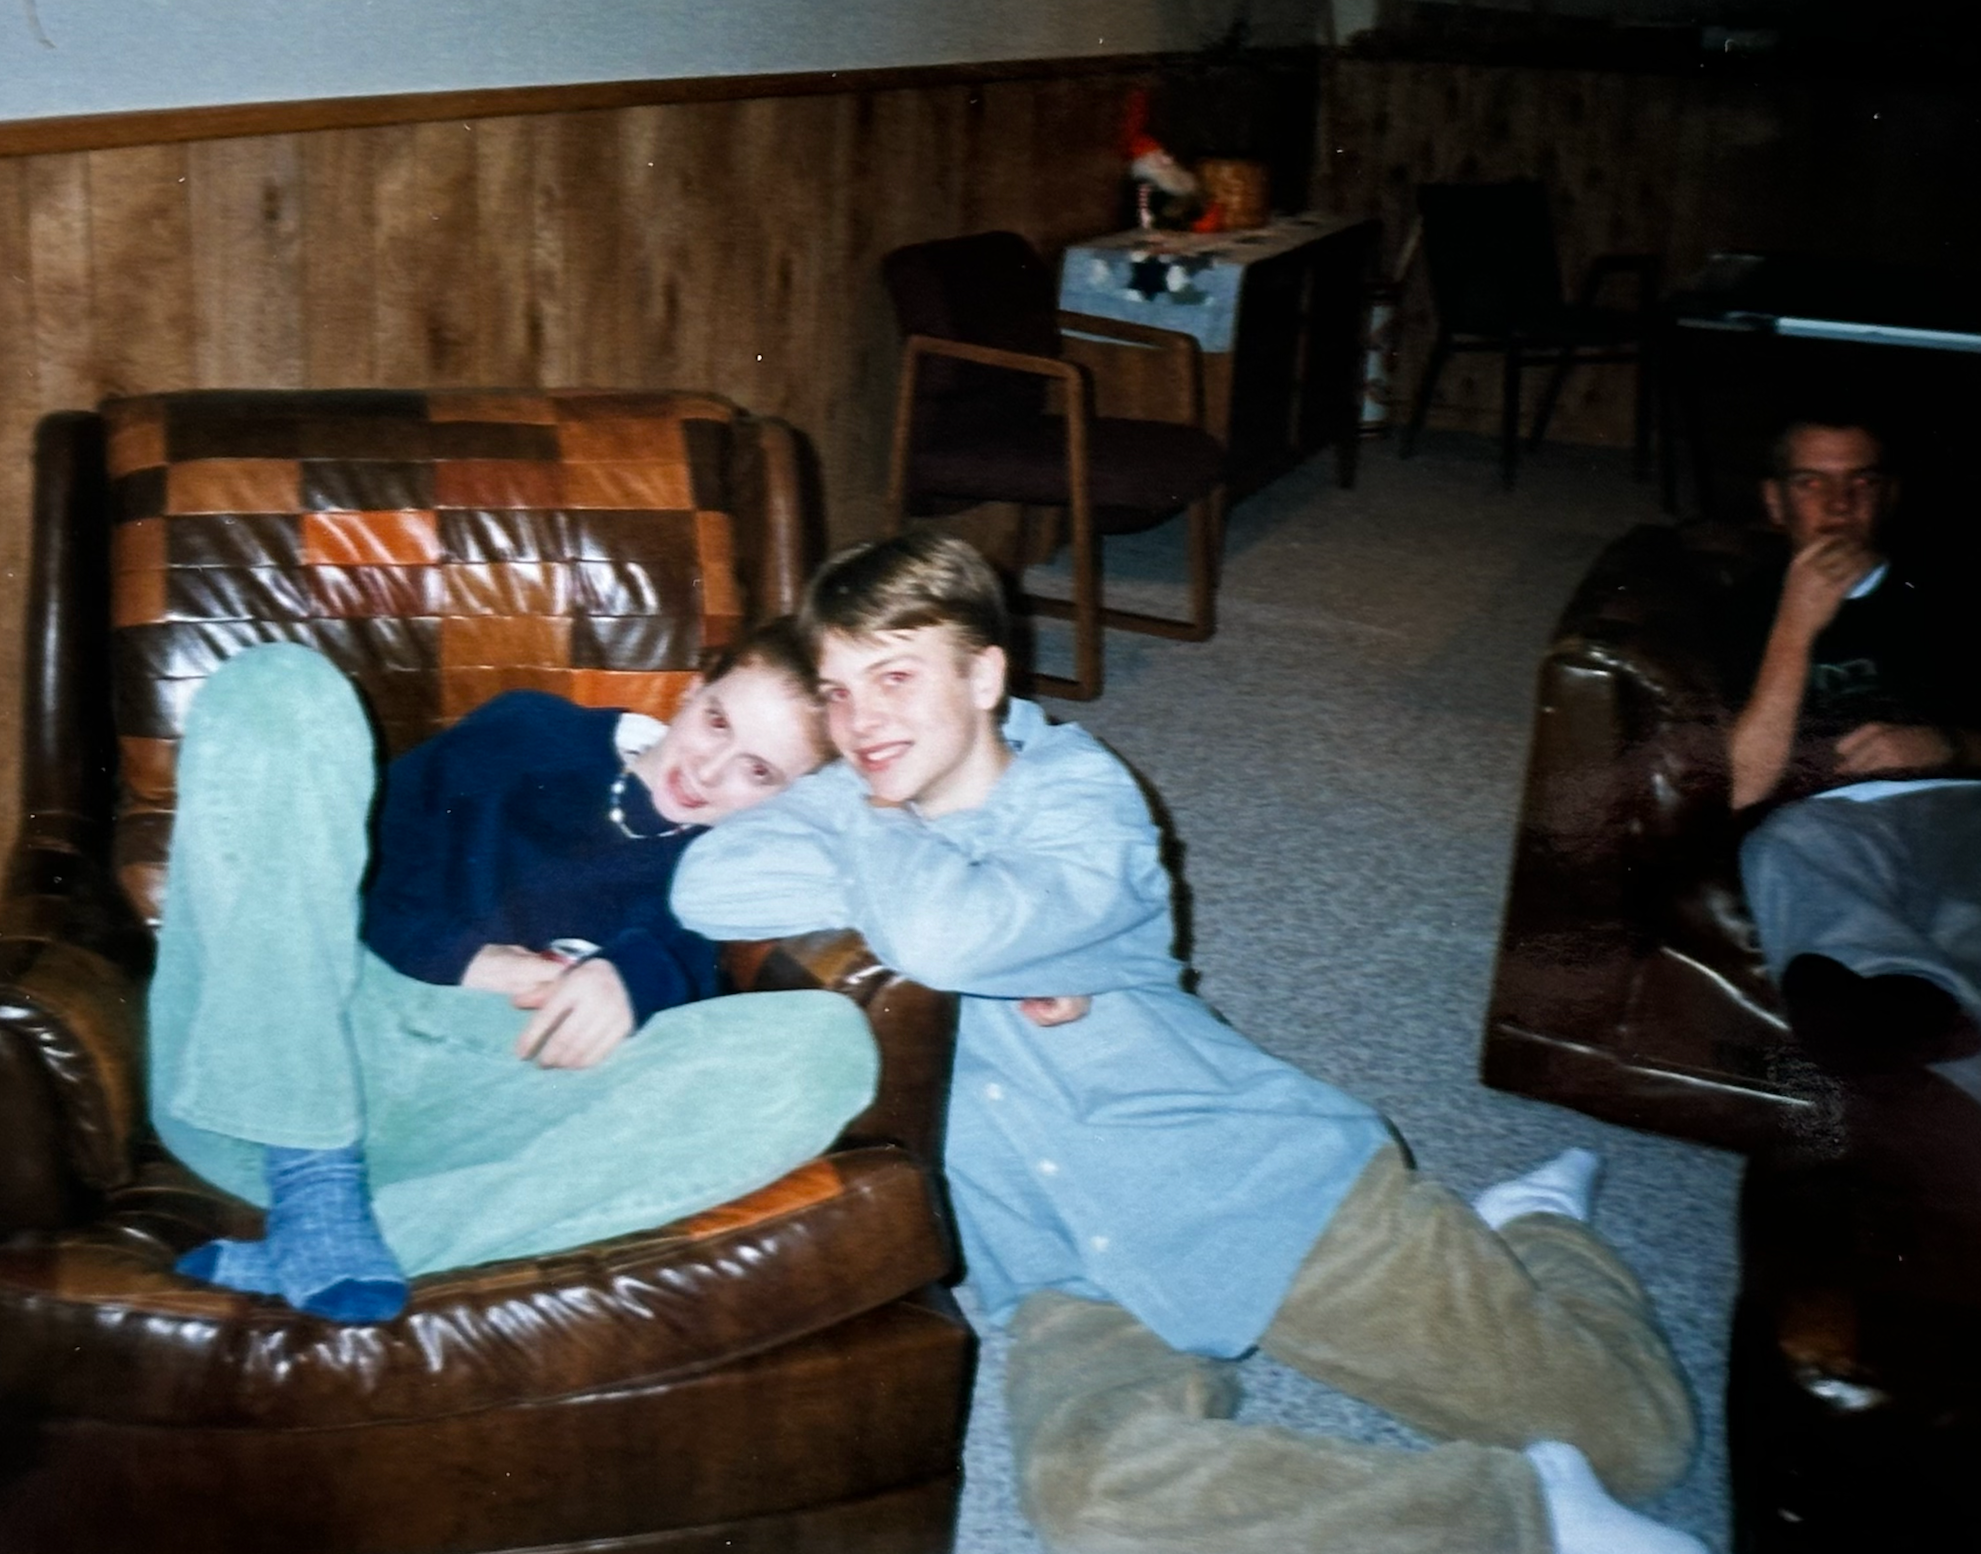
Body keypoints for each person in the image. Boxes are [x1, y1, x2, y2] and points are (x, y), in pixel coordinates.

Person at [671, 532, 1700, 1554]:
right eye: (840, 692)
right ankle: (1529, 1519)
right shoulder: (862, 793)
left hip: (1258, 1192)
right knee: (1091, 1500)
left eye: (894, 676)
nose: (861, 723)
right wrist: (872, 818)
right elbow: (706, 884)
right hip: (1065, 1270)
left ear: (984, 673)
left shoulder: (1083, 801)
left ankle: (1537, 1228)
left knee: (1642, 1444)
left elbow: (943, 937)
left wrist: (867, 829)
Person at [151, 623, 879, 1323]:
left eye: (760, 772)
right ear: (693, 690)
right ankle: (312, 1172)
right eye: (718, 723)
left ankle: (345, 1240)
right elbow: (330, 872)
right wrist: (464, 959)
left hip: (472, 1116)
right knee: (279, 684)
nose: (710, 772)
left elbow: (694, 972)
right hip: (282, 1068)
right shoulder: (531, 735)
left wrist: (632, 977)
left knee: (833, 1047)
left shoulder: (732, 871)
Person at [1723, 416, 1981, 1080]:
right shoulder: (1744, 607)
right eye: (1812, 484)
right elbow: (1742, 786)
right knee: (1781, 852)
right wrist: (1795, 624)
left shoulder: (1948, 592)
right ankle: (1898, 1017)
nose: (1839, 506)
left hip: (1960, 808)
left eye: (1859, 483)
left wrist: (1947, 744)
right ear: (1776, 502)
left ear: (1887, 496)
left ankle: (1912, 1043)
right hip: (1829, 822)